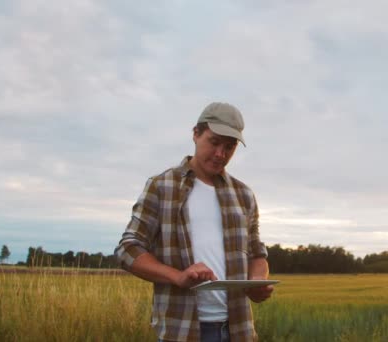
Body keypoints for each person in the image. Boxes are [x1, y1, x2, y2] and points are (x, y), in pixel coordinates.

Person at [115, 102, 273, 342]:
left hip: (238, 330)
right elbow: (128, 248)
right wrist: (177, 276)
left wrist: (258, 281)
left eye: (229, 147)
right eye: (214, 142)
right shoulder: (161, 186)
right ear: (196, 134)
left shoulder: (244, 195)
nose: (221, 153)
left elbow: (257, 254)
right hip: (181, 330)